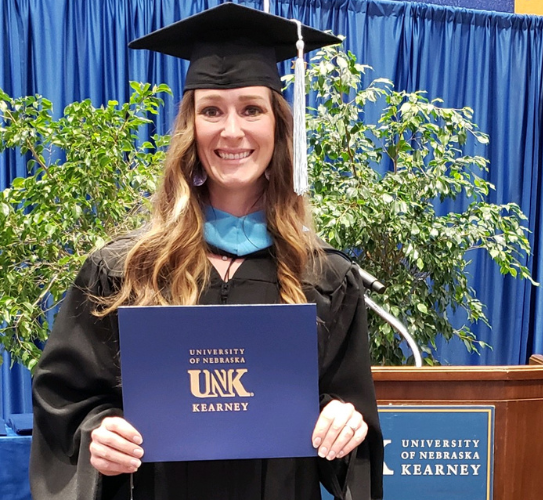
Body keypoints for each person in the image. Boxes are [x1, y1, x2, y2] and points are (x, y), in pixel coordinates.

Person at [29, 4, 383, 500]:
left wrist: (343, 422)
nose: (232, 131)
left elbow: (350, 428)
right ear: (190, 127)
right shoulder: (124, 270)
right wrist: (99, 432)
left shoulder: (324, 276)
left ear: (280, 127)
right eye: (211, 109)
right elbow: (66, 400)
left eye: (252, 109)